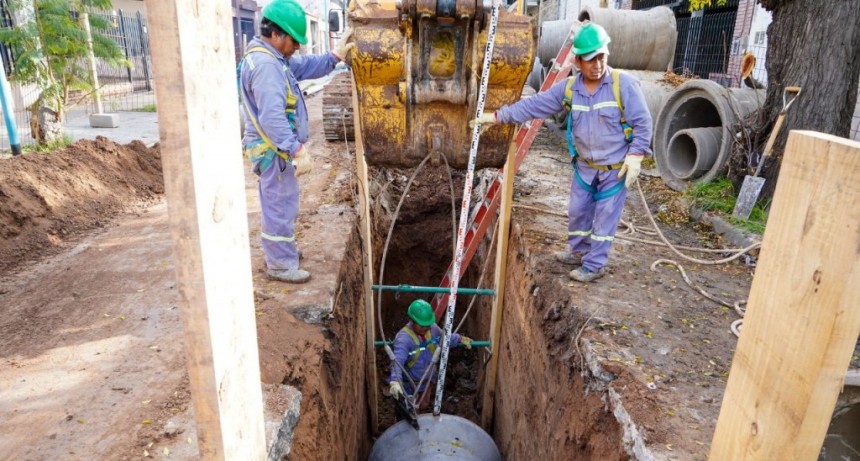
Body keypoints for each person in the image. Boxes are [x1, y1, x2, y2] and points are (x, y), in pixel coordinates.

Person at [473, 23, 653, 283]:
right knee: (578, 212)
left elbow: (643, 122)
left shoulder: (622, 84)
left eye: (601, 57)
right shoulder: (569, 89)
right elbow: (535, 105)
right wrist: (498, 116)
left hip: (615, 169)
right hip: (585, 167)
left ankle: (594, 265)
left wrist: (636, 154)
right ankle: (579, 251)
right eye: (590, 60)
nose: (597, 64)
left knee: (604, 220)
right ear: (578, 61)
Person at [239, 0, 355, 283]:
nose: (298, 47)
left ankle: (283, 252)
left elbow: (306, 66)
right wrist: (295, 149)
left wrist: (334, 56)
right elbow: (272, 118)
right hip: (273, 150)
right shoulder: (267, 66)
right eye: (295, 40)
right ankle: (279, 263)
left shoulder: (276, 59)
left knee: (284, 201)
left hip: (275, 150)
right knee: (279, 204)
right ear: (277, 34)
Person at [388, 299, 473, 410]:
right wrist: (395, 381)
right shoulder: (404, 338)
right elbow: (397, 361)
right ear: (412, 320)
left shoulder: (432, 328)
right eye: (422, 325)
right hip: (410, 383)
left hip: (428, 380)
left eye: (428, 325)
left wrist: (459, 339)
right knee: (409, 410)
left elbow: (444, 338)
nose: (426, 328)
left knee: (423, 405)